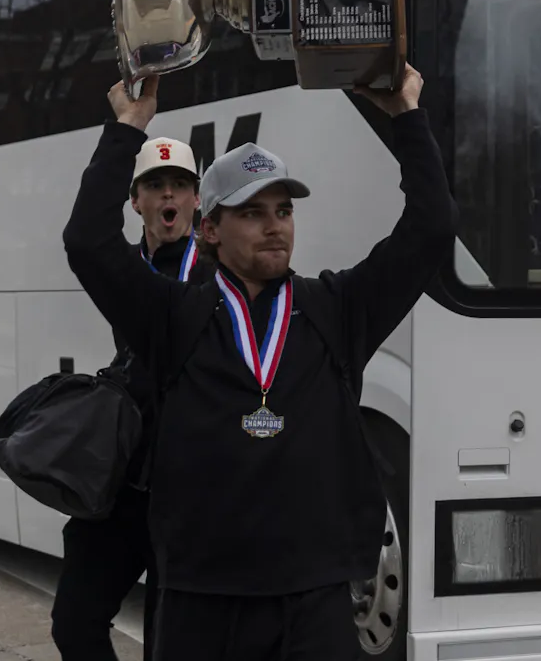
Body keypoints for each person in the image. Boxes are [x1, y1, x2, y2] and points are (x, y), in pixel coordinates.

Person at [63, 65, 456, 660]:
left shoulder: (335, 310)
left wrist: (405, 115)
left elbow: (431, 230)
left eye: (283, 210)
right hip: (202, 602)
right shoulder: (173, 318)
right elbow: (87, 243)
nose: (274, 226)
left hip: (316, 603)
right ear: (210, 230)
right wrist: (129, 126)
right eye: (251, 212)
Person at [52, 133, 208, 661]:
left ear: (196, 198)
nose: (169, 196)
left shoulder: (215, 276)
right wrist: (126, 127)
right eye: (155, 185)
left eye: (180, 185)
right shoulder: (123, 269)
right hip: (121, 490)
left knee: (170, 646)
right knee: (73, 624)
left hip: (186, 498)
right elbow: (83, 237)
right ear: (135, 200)